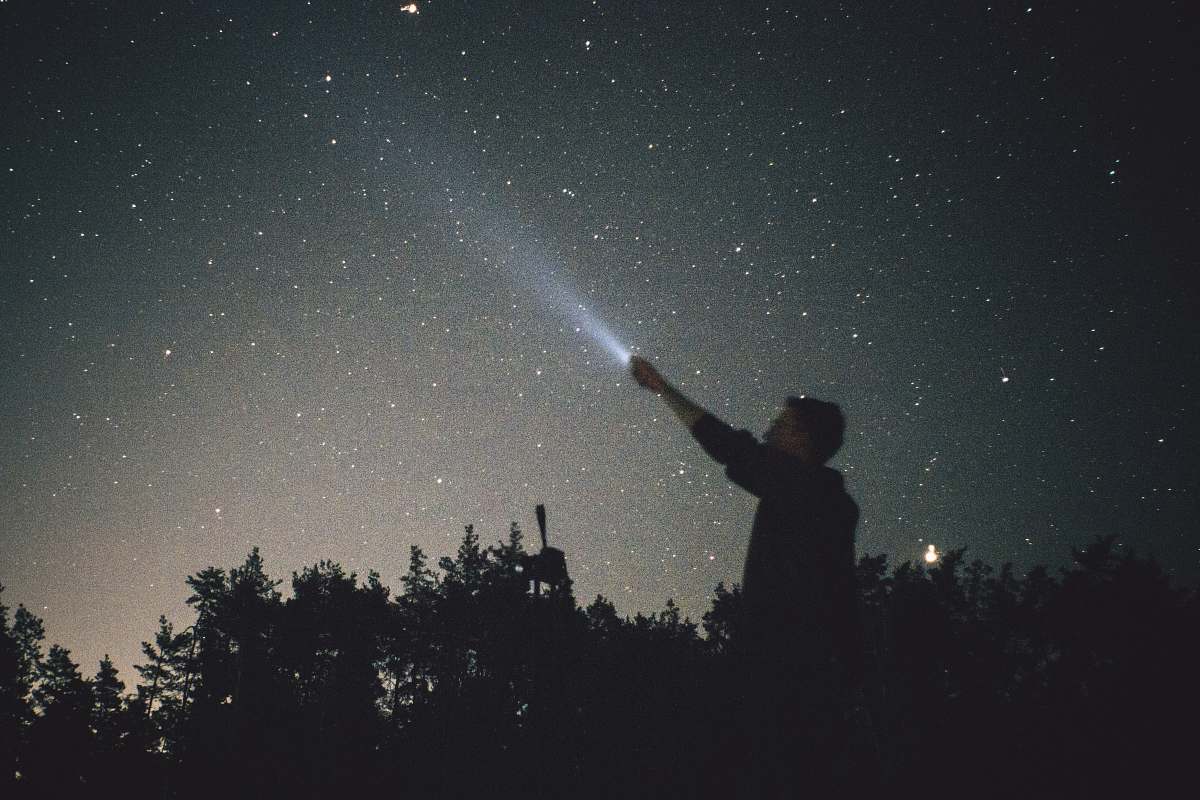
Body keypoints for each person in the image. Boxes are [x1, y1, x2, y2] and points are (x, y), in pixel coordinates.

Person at [629, 355, 863, 795]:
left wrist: (664, 389)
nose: (769, 430)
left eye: (781, 423)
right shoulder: (823, 501)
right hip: (802, 678)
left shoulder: (808, 492)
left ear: (803, 438)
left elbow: (730, 447)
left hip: (789, 680)